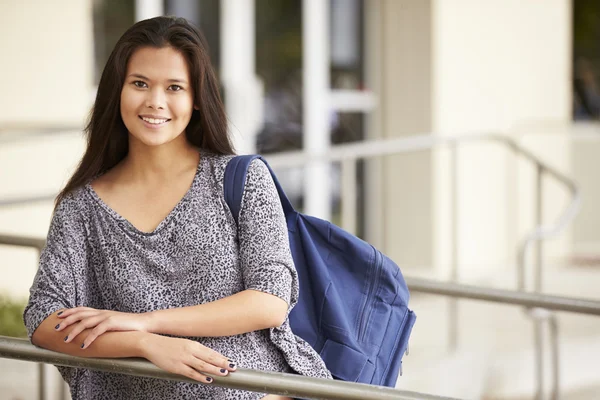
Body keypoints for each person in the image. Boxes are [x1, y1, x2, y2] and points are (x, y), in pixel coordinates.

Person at [23, 16, 331, 400]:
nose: (155, 101)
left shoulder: (242, 179)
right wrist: (143, 343)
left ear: (197, 97)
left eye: (174, 87)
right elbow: (42, 318)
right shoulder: (81, 207)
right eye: (139, 84)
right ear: (116, 91)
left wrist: (148, 323)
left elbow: (270, 300)